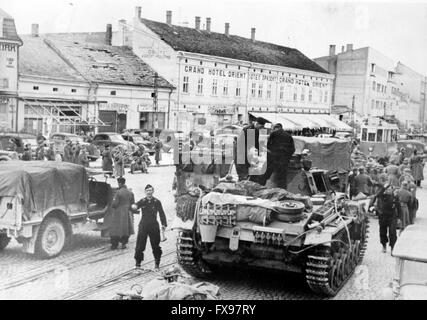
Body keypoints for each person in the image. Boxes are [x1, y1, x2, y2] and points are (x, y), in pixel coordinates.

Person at [133, 184, 167, 270]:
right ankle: (138, 264)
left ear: (153, 191)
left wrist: (163, 224)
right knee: (140, 245)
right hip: (143, 226)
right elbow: (135, 205)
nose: (149, 192)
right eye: (147, 190)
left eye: (150, 190)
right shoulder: (142, 201)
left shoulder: (157, 202)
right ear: (145, 192)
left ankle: (157, 263)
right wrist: (134, 206)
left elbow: (162, 213)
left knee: (155, 245)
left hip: (153, 226)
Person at [261, 123, 295, 188]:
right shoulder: (289, 136)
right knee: (282, 179)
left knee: (264, 175)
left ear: (276, 128)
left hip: (272, 158)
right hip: (283, 160)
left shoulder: (273, 134)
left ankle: (260, 189)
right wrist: (287, 158)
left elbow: (268, 146)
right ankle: (282, 193)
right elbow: (292, 149)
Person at [109, 177, 135, 250]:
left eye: (118, 183)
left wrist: (112, 206)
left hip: (119, 212)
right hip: (128, 212)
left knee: (116, 228)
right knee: (126, 228)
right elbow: (133, 203)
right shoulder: (130, 192)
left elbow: (114, 204)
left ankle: (114, 245)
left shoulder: (118, 192)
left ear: (120, 183)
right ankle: (124, 243)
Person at [372, 183, 398, 253]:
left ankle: (393, 248)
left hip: (392, 216)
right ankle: (384, 246)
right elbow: (377, 195)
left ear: (392, 190)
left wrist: (400, 218)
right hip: (383, 216)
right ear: (385, 190)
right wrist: (384, 187)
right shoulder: (382, 196)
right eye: (387, 189)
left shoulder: (395, 196)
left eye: (390, 189)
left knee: (393, 233)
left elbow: (398, 207)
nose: (389, 191)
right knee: (382, 232)